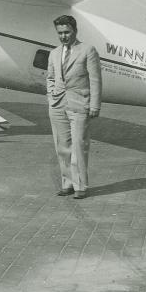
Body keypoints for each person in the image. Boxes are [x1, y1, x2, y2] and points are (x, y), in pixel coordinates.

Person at [46, 15, 102, 199]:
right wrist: (51, 96)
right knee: (62, 146)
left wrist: (94, 105)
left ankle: (80, 186)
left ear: (75, 31)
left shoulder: (87, 50)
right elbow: (51, 78)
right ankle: (67, 183)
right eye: (60, 33)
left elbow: (95, 80)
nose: (63, 36)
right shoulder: (54, 53)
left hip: (79, 104)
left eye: (67, 32)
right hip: (57, 104)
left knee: (79, 145)